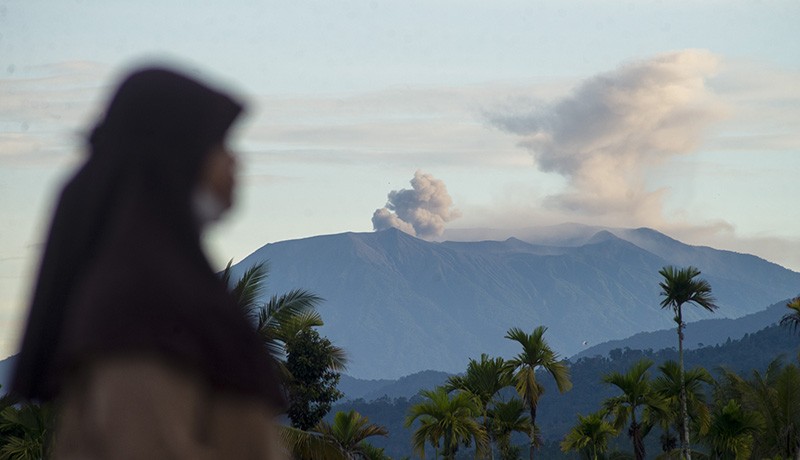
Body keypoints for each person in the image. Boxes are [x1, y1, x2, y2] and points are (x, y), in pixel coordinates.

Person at [11, 66, 287, 459]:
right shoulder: (143, 306)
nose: (236, 162)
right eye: (221, 144)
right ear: (177, 156)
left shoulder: (155, 291)